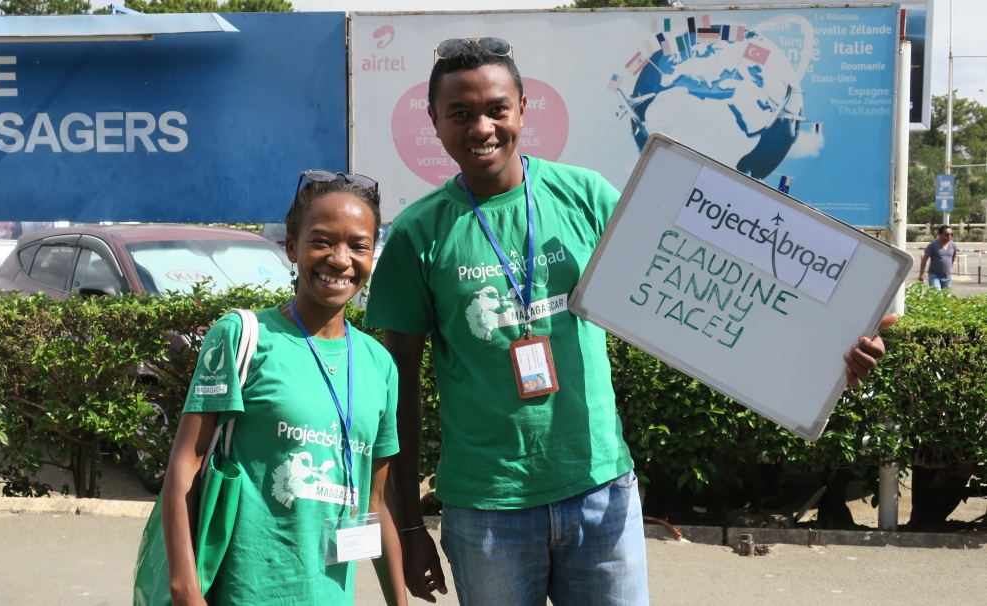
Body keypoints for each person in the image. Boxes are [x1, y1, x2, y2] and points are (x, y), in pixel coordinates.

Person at [364, 38, 894, 606]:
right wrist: (411, 527)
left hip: (601, 493)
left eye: (497, 108)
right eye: (461, 114)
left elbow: (710, 286)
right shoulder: (420, 234)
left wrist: (827, 353)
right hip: (488, 510)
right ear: (435, 121)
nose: (482, 127)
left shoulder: (586, 196)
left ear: (522, 107)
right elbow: (399, 397)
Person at [162, 171, 407, 606]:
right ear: (291, 247)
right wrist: (185, 588)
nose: (340, 259)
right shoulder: (241, 335)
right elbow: (187, 460)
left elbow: (375, 504)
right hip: (244, 594)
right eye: (322, 241)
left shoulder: (379, 365)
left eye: (358, 245)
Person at [918, 225, 959, 290]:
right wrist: (921, 274)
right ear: (940, 234)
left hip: (947, 277)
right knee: (937, 296)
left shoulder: (953, 245)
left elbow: (953, 258)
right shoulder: (933, 245)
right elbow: (924, 259)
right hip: (934, 276)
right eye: (947, 234)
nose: (949, 236)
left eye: (951, 234)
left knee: (946, 298)